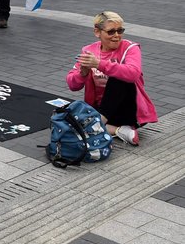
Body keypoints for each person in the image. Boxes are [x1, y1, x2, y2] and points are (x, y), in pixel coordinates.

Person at [66, 11, 158, 145]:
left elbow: (133, 74)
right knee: (69, 111)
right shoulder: (89, 51)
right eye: (111, 32)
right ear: (97, 32)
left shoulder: (130, 48)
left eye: (120, 31)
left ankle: (95, 126)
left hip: (127, 111)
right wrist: (83, 73)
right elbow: (72, 85)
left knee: (120, 77)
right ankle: (117, 130)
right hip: (100, 109)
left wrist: (99, 64)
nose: (116, 36)